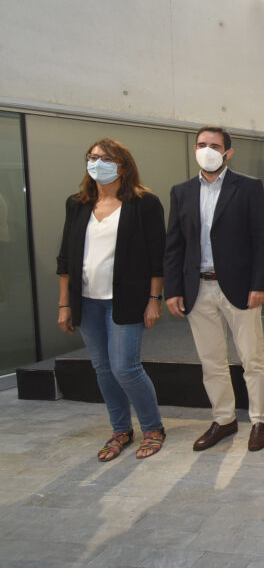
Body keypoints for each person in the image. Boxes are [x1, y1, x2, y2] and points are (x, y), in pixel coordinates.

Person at [164, 126, 264, 452]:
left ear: (228, 152)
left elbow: (261, 239)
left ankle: (259, 420)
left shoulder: (249, 187)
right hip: (197, 288)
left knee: (251, 358)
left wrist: (260, 284)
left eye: (214, 145)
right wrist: (173, 289)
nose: (207, 150)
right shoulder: (181, 191)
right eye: (201, 144)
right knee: (211, 360)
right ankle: (224, 419)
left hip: (240, 288)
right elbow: (174, 245)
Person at [57, 138, 167, 460]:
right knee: (103, 369)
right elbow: (65, 259)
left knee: (125, 368)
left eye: (105, 158)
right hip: (86, 302)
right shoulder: (77, 204)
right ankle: (120, 429)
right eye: (92, 157)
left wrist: (154, 298)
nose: (97, 163)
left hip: (127, 301)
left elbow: (155, 257)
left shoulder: (144, 203)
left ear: (122, 165)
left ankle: (153, 428)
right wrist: (64, 304)